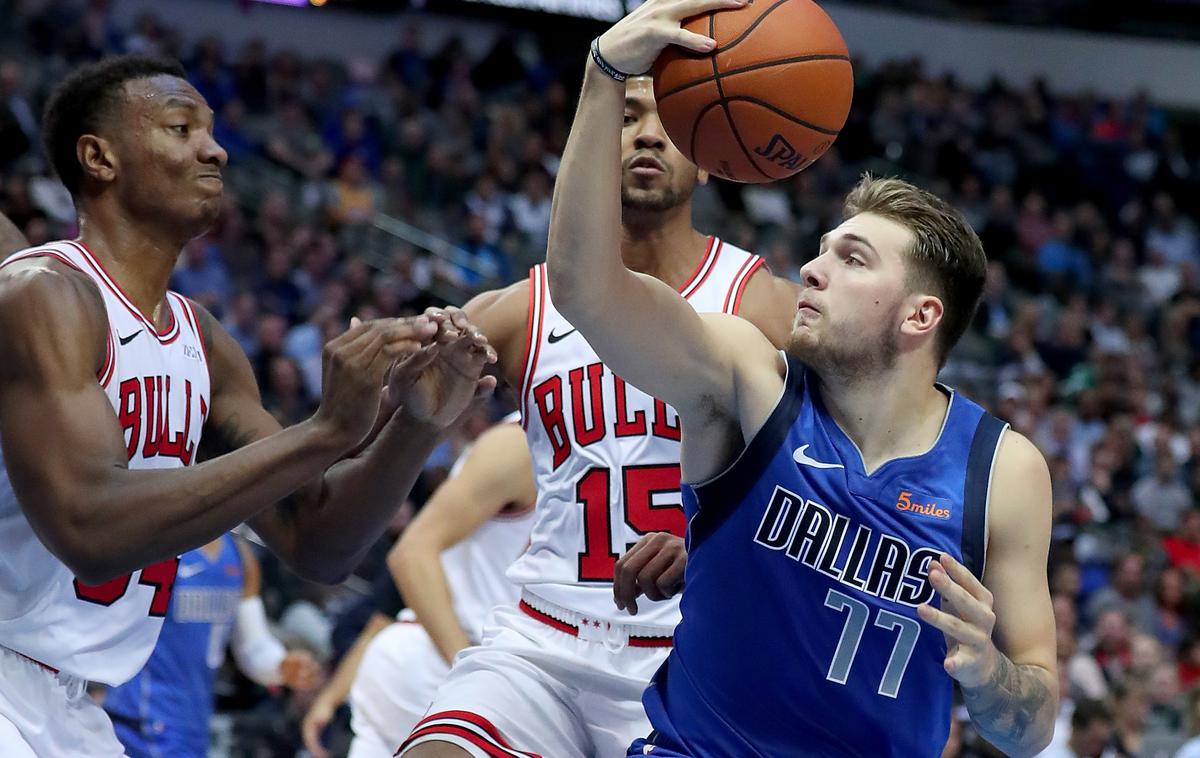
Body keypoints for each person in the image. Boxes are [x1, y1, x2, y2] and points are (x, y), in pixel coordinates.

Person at [541, 2, 1060, 755]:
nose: (810, 270)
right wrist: (603, 75)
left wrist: (987, 674)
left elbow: (1032, 728)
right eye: (822, 249)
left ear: (920, 317)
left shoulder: (1004, 471)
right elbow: (585, 285)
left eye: (851, 259)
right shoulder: (748, 380)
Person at [0, 55, 494, 756]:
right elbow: (88, 531)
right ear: (98, 157)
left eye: (211, 129)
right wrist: (325, 431)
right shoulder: (42, 294)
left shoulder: (204, 342)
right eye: (180, 127)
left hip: (76, 711)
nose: (216, 147)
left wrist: (415, 425)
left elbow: (317, 541)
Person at [399, 57, 799, 758]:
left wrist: (719, 542)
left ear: (708, 160)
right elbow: (387, 419)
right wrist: (401, 366)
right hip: (540, 641)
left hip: (693, 656)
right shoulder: (520, 308)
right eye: (625, 117)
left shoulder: (763, 303)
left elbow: (836, 479)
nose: (647, 136)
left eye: (669, 122)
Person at [302, 414, 535, 758]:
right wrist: (475, 677)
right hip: (443, 667)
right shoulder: (519, 444)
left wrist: (332, 696)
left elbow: (387, 613)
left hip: (419, 661)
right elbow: (409, 557)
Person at [104, 533, 322, 757]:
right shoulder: (161, 542)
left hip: (196, 719)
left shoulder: (240, 555)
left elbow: (252, 647)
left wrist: (281, 665)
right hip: (140, 717)